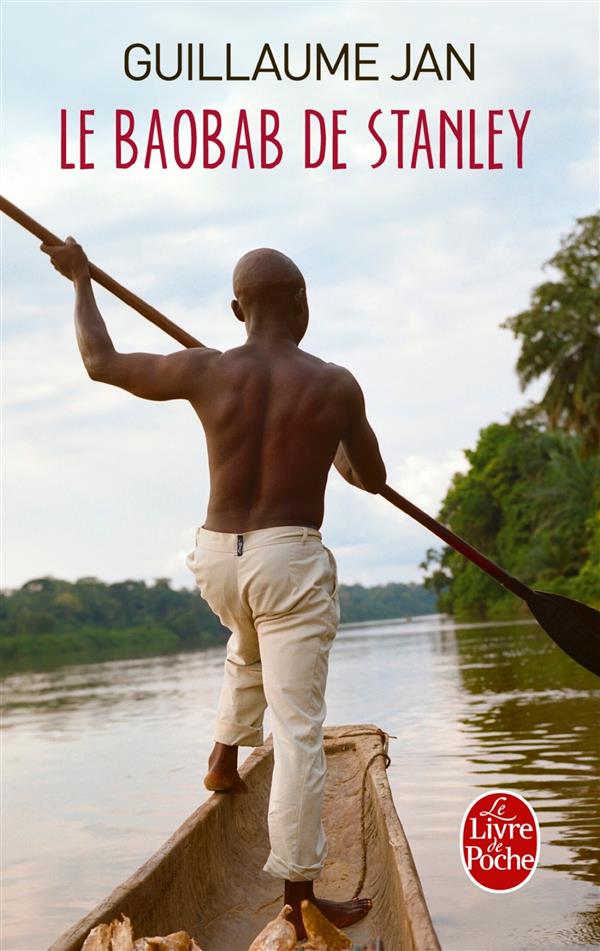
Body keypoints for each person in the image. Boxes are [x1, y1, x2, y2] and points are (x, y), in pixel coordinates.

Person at [41, 237, 387, 939]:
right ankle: (296, 896)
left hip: (217, 557)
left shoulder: (207, 369)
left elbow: (99, 362)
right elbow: (371, 476)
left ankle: (223, 756)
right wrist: (340, 445)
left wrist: (81, 281)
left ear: (237, 309)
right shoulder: (336, 384)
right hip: (288, 555)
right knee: (297, 734)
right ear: (302, 303)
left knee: (247, 636)